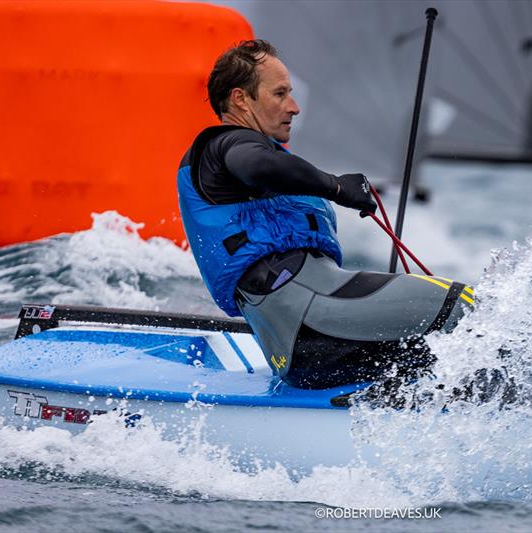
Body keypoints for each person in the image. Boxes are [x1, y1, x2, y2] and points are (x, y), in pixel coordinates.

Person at [177, 40, 471, 389]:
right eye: (280, 94)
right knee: (466, 306)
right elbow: (255, 165)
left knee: (438, 359)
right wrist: (335, 187)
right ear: (241, 99)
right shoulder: (227, 146)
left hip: (312, 346)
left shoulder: (252, 159)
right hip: (315, 324)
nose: (294, 107)